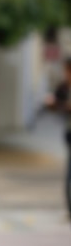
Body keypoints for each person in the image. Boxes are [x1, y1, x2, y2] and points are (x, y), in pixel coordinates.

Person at [45, 57, 71, 218]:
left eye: (67, 70)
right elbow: (55, 103)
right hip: (69, 135)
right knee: (68, 176)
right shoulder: (64, 87)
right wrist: (52, 103)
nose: (66, 74)